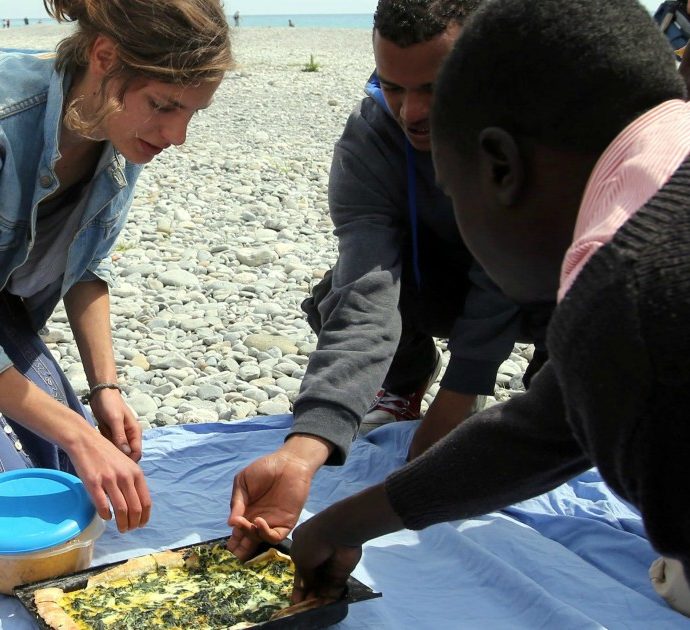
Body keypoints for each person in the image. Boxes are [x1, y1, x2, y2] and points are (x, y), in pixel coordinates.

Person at [288, 0, 690, 618]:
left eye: (452, 189)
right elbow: (553, 424)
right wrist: (345, 523)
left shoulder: (632, 295)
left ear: (499, 165)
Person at [227, 0, 550, 561]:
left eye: (433, 88)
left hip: (536, 282)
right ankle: (404, 383)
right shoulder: (371, 137)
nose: (411, 112)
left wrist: (461, 392)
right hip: (437, 280)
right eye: (393, 87)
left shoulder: (537, 129)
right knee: (335, 292)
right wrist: (308, 446)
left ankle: (554, 399)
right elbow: (366, 288)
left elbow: (503, 273)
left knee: (586, 327)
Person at [0, 0, 231, 533]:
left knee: (70, 482)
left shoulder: (119, 134)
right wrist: (78, 433)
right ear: (104, 56)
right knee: (15, 512)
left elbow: (86, 269)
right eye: (164, 105)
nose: (177, 135)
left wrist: (106, 389)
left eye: (192, 113)